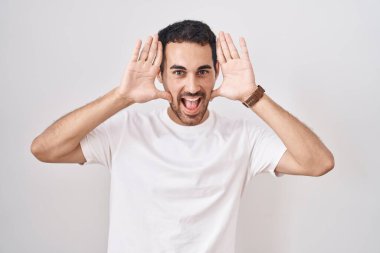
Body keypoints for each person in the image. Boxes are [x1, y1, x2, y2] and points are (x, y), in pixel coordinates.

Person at [31, 20, 334, 253]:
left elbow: (318, 163)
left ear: (217, 72)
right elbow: (45, 149)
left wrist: (252, 96)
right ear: (160, 75)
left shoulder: (243, 138)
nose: (192, 86)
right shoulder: (126, 130)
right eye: (178, 72)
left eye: (202, 71)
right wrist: (122, 96)